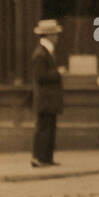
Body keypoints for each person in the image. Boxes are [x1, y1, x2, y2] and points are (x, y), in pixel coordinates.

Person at [30, 19, 64, 168]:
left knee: (49, 127)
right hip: (45, 98)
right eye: (55, 35)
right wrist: (58, 73)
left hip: (48, 98)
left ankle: (46, 158)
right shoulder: (40, 54)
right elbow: (40, 77)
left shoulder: (45, 52)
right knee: (44, 128)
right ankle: (39, 158)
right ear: (49, 36)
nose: (57, 37)